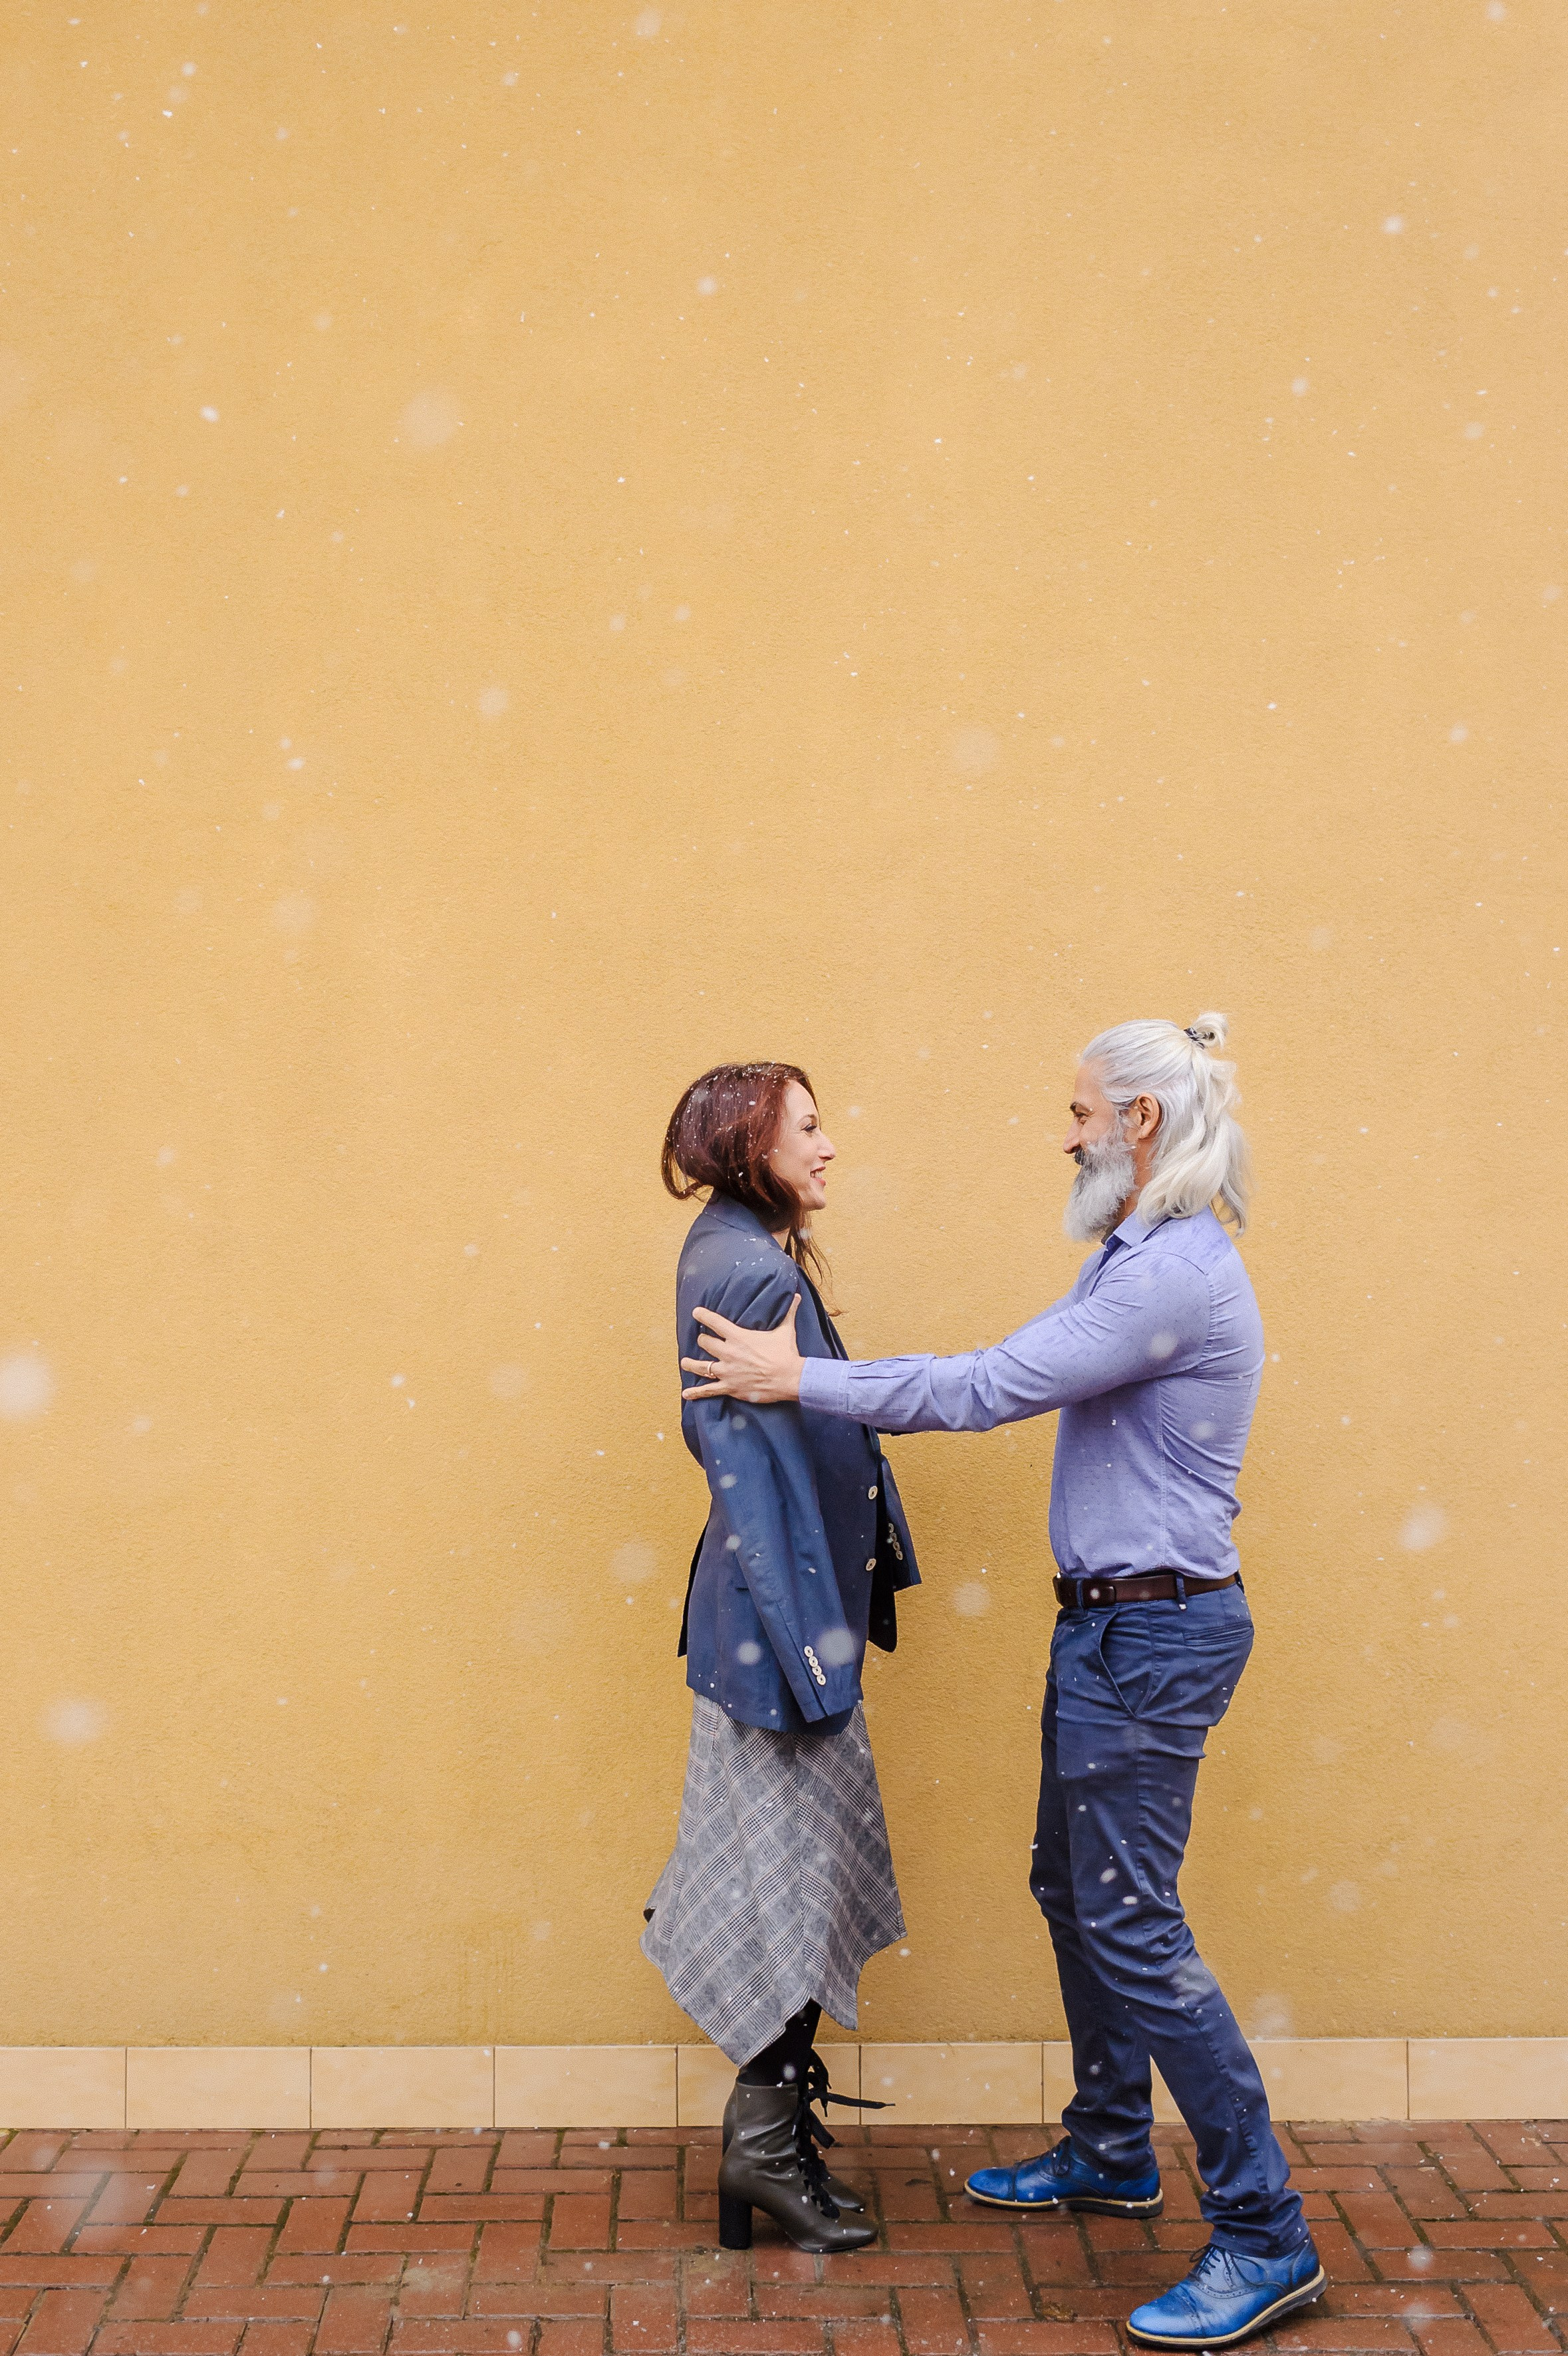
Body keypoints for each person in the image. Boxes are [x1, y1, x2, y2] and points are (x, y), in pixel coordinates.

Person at [678, 1014, 1324, 2349]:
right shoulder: (1131, 1251)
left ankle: (1266, 2232)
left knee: (1134, 1922)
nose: (1068, 1127)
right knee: (1071, 1888)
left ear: (1140, 1123)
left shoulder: (1173, 1275)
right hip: (1107, 1629)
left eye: (1083, 1108)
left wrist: (802, 1374)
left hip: (1155, 1634)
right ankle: (1110, 2146)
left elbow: (990, 1387)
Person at [642, 1060, 921, 2256]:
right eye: (809, 1127)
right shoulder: (750, 1267)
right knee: (786, 1893)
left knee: (783, 1884)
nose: (829, 1145)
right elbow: (754, 1484)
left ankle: (767, 2154)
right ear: (749, 1144)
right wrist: (821, 1662)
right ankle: (762, 2157)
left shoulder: (736, 1247)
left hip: (767, 1632)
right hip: (778, 1642)